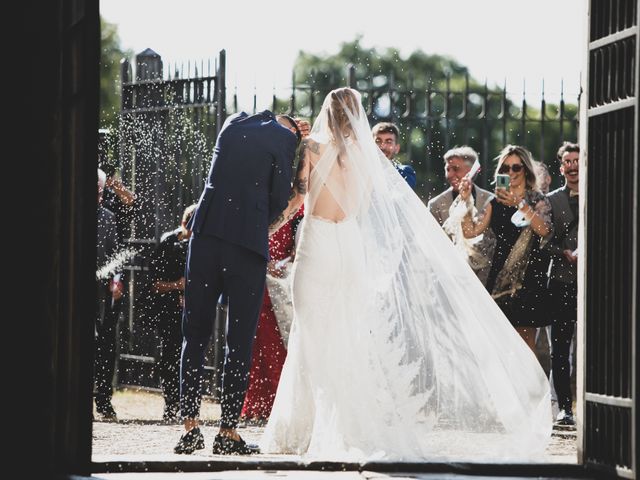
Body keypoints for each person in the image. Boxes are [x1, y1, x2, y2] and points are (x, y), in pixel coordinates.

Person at [260, 88, 551, 461]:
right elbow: (364, 206)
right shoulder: (367, 159)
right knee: (347, 332)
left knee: (309, 332)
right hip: (347, 245)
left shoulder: (313, 146)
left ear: (326, 113)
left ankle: (303, 428)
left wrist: (269, 228)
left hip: (317, 243)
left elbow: (298, 198)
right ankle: (345, 425)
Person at [173, 110, 300, 455]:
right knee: (238, 339)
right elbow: (278, 198)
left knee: (194, 333)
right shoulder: (286, 139)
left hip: (205, 235)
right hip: (246, 243)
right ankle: (227, 431)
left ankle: (189, 427)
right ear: (292, 128)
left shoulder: (233, 122)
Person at [459, 145, 553, 351]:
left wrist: (520, 203)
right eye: (505, 169)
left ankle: (530, 384)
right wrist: (466, 200)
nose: (510, 173)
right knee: (500, 344)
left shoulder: (538, 200)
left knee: (525, 342)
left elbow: (544, 229)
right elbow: (470, 231)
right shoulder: (495, 202)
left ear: (526, 170)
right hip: (499, 278)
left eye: (516, 168)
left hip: (528, 279)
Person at [239, 205, 304, 424]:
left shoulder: (297, 209)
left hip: (281, 287)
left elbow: (301, 243)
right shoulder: (256, 205)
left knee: (277, 346)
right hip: (256, 282)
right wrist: (266, 265)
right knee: (256, 349)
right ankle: (256, 404)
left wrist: (290, 258)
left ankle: (277, 403)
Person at [147, 203, 197, 422]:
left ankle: (188, 404)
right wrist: (177, 286)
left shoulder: (202, 244)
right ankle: (171, 404)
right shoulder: (168, 243)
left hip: (192, 311)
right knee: (170, 355)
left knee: (192, 355)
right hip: (169, 310)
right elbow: (154, 284)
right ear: (184, 224)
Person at [545, 142, 580, 426]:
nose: (572, 165)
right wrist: (562, 253)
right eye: (567, 161)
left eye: (577, 160)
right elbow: (543, 239)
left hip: (597, 285)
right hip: (561, 281)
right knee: (560, 347)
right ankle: (565, 409)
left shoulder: (602, 193)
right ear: (561, 168)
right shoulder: (552, 200)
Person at [427, 146, 495, 286]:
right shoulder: (436, 204)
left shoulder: (490, 200)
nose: (450, 174)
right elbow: (433, 246)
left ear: (471, 171)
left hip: (484, 278)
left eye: (456, 169)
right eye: (448, 169)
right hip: (448, 278)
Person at [95, 168, 124, 421]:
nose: (98, 194)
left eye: (100, 190)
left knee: (104, 347)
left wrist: (116, 281)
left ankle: (103, 401)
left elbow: (115, 255)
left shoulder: (108, 218)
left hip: (101, 292)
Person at [372, 122, 417, 189]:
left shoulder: (405, 172)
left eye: (388, 142)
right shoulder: (362, 171)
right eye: (378, 141)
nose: (383, 146)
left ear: (397, 148)